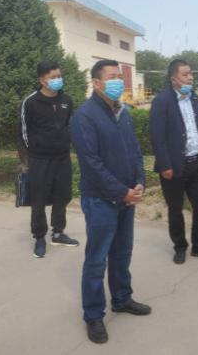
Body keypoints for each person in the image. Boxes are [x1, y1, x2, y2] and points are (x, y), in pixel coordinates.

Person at [71, 59, 151, 344]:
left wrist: (139, 181)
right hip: (101, 200)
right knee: (97, 259)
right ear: (96, 83)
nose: (119, 81)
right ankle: (93, 315)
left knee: (122, 253)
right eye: (112, 77)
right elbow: (91, 164)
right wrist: (121, 191)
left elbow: (135, 151)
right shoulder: (84, 116)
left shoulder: (123, 112)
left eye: (120, 76)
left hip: (126, 197)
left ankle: (122, 298)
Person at [149, 59, 198, 264]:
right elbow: (157, 136)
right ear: (174, 79)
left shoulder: (194, 98)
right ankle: (180, 246)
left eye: (191, 74)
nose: (190, 77)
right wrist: (165, 165)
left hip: (197, 162)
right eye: (185, 74)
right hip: (174, 166)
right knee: (175, 209)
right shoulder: (162, 101)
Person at [17, 61, 79, 258]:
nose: (57, 80)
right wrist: (34, 152)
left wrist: (66, 143)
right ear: (42, 80)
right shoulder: (30, 102)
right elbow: (23, 132)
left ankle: (58, 233)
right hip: (40, 159)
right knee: (39, 199)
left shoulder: (66, 100)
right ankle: (39, 237)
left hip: (62, 158)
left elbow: (68, 125)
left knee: (63, 196)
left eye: (59, 76)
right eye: (53, 77)